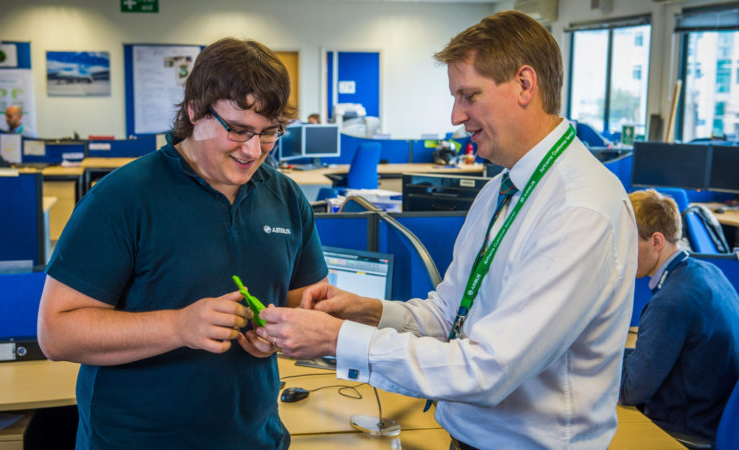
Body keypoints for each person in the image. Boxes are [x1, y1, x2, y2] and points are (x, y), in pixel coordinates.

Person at [258, 10, 637, 449]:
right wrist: (363, 310)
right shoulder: (501, 190)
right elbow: (448, 317)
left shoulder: (578, 208)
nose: (456, 116)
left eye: (469, 95)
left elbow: (487, 370)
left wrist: (337, 339)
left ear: (525, 85)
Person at [37, 37, 328, 449]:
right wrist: (177, 326)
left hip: (255, 437)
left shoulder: (286, 197)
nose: (253, 150)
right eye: (238, 130)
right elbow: (56, 333)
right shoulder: (123, 198)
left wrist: (275, 336)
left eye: (269, 133)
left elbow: (301, 306)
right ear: (194, 111)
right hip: (134, 440)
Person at [621, 189, 739, 445]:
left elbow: (632, 391)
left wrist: (594, 362)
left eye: (629, 241)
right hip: (709, 415)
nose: (622, 252)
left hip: (682, 430)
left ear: (656, 241)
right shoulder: (707, 272)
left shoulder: (670, 302)